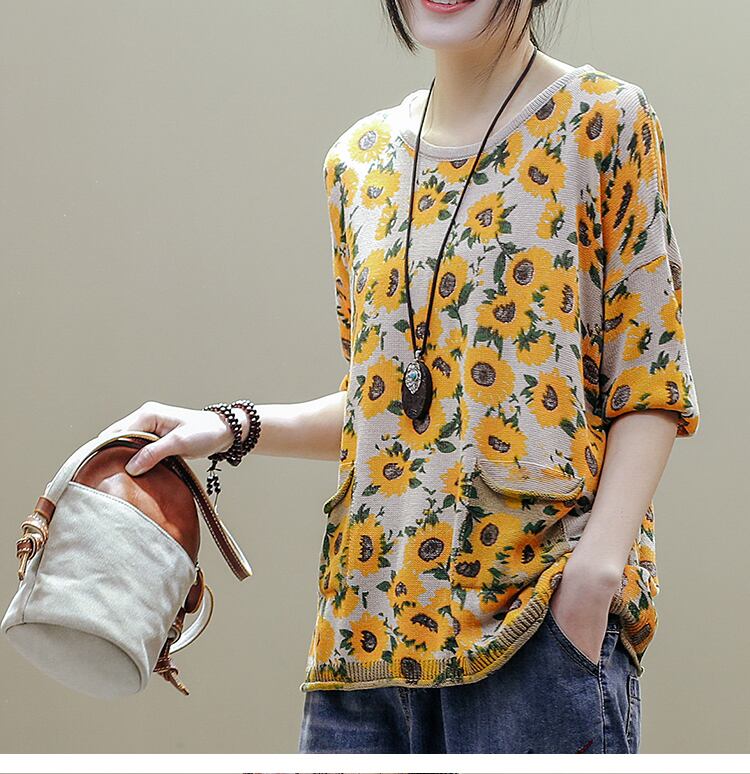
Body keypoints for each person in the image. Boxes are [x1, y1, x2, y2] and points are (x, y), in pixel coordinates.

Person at [99, 0, 700, 755]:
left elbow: (649, 375)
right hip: (362, 638)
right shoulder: (359, 162)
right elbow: (385, 406)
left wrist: (593, 580)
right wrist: (229, 426)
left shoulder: (605, 123)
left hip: (532, 631)